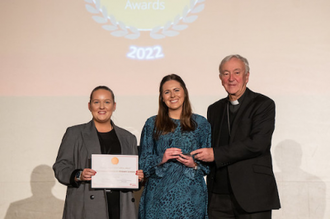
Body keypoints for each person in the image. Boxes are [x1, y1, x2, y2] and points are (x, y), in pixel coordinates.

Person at [192, 55, 280, 218]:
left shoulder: (263, 104)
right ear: (220, 78)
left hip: (253, 195)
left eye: (236, 72)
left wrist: (216, 154)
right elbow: (210, 143)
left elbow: (258, 144)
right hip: (218, 197)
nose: (231, 78)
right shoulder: (214, 109)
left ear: (247, 76)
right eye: (226, 73)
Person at [53, 86, 144, 219]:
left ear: (114, 106)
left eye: (107, 102)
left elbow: (132, 173)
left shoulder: (128, 138)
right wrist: (79, 175)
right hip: (86, 208)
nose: (102, 107)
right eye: (96, 102)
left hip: (121, 206)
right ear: (89, 106)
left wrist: (138, 177)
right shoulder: (75, 133)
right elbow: (61, 166)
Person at [138, 74, 211, 219]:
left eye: (176, 90)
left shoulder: (201, 124)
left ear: (184, 92)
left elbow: (209, 165)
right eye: (167, 92)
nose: (172, 95)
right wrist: (162, 158)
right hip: (158, 196)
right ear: (162, 98)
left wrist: (194, 163)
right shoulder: (152, 124)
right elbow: (143, 164)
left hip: (190, 197)